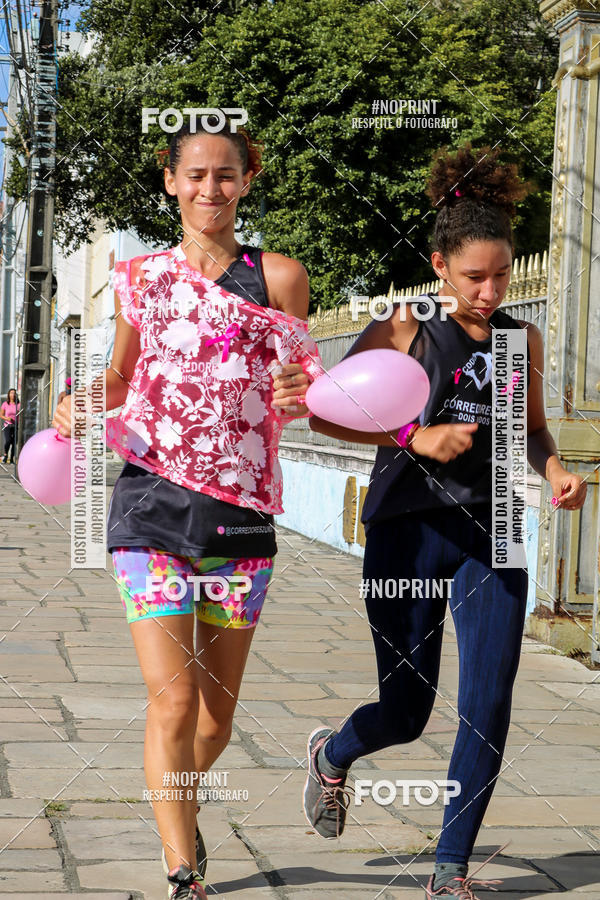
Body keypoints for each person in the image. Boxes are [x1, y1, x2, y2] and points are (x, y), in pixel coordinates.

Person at [302, 145, 587, 899]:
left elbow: (529, 431)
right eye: (474, 277)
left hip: (492, 525)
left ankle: (449, 871)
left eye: (502, 274)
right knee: (408, 709)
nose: (490, 291)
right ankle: (333, 754)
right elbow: (332, 411)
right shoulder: (406, 324)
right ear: (439, 266)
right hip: (407, 527)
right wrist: (413, 437)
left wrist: (555, 472)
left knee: (488, 703)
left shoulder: (519, 339)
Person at [52, 120, 322, 900]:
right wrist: (78, 401)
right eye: (195, 175)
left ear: (248, 179)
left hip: (239, 521)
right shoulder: (140, 278)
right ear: (171, 181)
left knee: (213, 723)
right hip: (150, 511)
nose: (211, 189)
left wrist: (295, 394)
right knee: (170, 701)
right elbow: (122, 376)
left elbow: (304, 387)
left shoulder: (280, 278)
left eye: (226, 175)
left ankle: (176, 799)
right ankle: (182, 871)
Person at [1, 389, 20, 464]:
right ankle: (5, 455)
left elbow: (21, 414)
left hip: (15, 425)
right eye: (11, 393)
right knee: (8, 441)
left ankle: (11, 459)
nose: (13, 395)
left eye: (14, 393)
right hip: (7, 425)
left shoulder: (18, 404)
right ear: (8, 395)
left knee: (14, 443)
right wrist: (7, 418)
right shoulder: (5, 404)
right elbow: (1, 415)